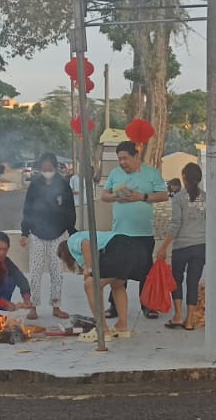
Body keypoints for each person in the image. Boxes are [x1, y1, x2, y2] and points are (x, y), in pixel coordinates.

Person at [101, 140, 167, 318]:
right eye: (119, 159)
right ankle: (114, 306)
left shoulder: (151, 173)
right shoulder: (115, 173)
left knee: (144, 270)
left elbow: (163, 195)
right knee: (117, 270)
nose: (122, 162)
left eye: (125, 158)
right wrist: (115, 196)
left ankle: (148, 305)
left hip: (142, 233)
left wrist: (142, 196)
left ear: (136, 156)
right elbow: (104, 196)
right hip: (120, 232)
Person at [19, 152, 75, 320]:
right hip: (37, 234)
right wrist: (24, 232)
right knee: (35, 272)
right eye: (44, 168)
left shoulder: (64, 184)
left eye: (49, 167)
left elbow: (69, 209)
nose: (46, 170)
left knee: (57, 272)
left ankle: (56, 306)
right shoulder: (35, 184)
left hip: (57, 235)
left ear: (55, 167)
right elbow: (27, 209)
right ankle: (33, 307)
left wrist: (71, 231)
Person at [57, 230, 135, 346]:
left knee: (90, 285)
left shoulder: (72, 241)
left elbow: (86, 244)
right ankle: (122, 326)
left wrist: (89, 270)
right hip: (128, 246)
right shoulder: (86, 237)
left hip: (115, 247)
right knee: (117, 284)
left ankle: (102, 330)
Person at [156, 162, 206, 330]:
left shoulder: (179, 198)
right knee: (193, 282)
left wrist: (163, 247)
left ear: (184, 178)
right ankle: (190, 320)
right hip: (201, 246)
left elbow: (175, 225)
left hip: (182, 247)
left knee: (177, 280)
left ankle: (178, 316)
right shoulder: (206, 198)